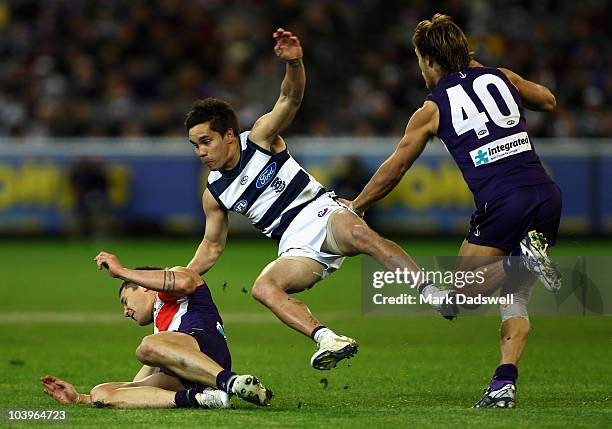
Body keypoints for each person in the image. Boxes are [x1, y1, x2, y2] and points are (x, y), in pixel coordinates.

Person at [345, 14, 562, 408]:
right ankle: (503, 384)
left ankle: (524, 261)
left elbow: (396, 167)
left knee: (459, 297)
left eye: (418, 59)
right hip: (545, 196)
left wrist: (358, 205)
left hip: (503, 201)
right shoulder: (503, 77)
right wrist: (494, 74)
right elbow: (548, 100)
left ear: (428, 60)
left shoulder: (431, 108)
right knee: (514, 300)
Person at [184, 28, 429, 371]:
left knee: (359, 233)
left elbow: (290, 99)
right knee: (264, 288)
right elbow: (211, 247)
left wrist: (295, 62)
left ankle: (429, 288)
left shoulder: (260, 138)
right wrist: (178, 277)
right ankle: (328, 339)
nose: (200, 152)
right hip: (293, 245)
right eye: (195, 145)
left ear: (228, 135)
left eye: (205, 141)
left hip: (321, 212)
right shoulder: (214, 193)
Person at [41, 252, 273, 409]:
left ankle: (231, 382)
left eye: (125, 300)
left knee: (148, 346)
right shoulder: (161, 330)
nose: (125, 311)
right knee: (102, 392)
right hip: (186, 374)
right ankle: (199, 399)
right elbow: (136, 385)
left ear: (143, 287)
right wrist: (81, 398)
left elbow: (185, 282)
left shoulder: (174, 284)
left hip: (205, 348)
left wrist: (122, 271)